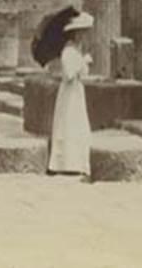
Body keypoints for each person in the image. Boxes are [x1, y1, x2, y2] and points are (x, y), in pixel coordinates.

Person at [47, 10, 93, 178]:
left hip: (77, 91)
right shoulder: (68, 51)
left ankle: (78, 162)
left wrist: (84, 62)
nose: (85, 36)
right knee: (68, 123)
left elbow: (82, 74)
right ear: (76, 33)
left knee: (78, 124)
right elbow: (69, 74)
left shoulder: (76, 50)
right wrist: (82, 62)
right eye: (82, 32)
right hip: (69, 92)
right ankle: (65, 162)